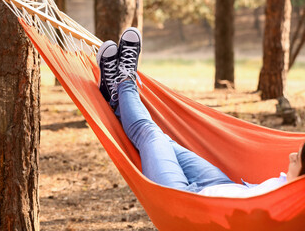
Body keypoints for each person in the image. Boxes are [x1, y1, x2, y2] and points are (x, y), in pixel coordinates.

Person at [96, 27, 305, 197]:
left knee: (149, 133)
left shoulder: (291, 203)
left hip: (186, 198)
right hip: (228, 187)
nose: (290, 155)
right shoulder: (291, 189)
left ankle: (125, 81)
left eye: (297, 159)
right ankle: (116, 100)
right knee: (163, 140)